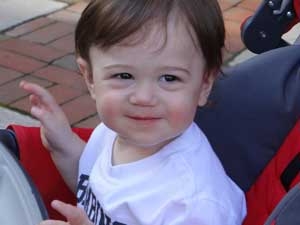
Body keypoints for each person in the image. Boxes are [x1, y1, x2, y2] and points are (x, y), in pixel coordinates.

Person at [20, 0, 247, 224]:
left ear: (204, 84)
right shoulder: (113, 132)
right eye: (124, 76)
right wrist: (63, 145)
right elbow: (93, 186)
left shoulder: (193, 203)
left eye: (169, 78)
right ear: (90, 78)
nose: (143, 98)